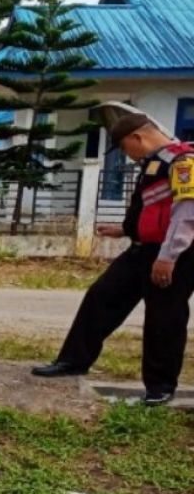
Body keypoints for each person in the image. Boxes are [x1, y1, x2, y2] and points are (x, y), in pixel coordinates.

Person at [32, 113, 194, 405]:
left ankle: (160, 388)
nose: (126, 155)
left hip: (173, 255)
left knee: (164, 319)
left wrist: (169, 256)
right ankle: (73, 362)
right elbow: (155, 209)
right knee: (101, 297)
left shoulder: (183, 162)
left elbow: (186, 214)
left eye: (123, 147)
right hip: (142, 250)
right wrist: (124, 229)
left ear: (138, 138)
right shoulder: (155, 163)